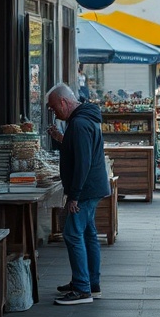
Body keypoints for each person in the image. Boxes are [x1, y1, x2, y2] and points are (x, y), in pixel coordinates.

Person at [46, 83, 111, 305]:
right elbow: (81, 150)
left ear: (64, 102)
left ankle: (83, 289)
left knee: (73, 234)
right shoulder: (83, 119)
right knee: (87, 234)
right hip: (92, 186)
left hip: (86, 188)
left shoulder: (80, 123)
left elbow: (83, 161)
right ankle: (90, 284)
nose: (54, 113)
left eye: (54, 108)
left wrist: (74, 196)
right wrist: (62, 139)